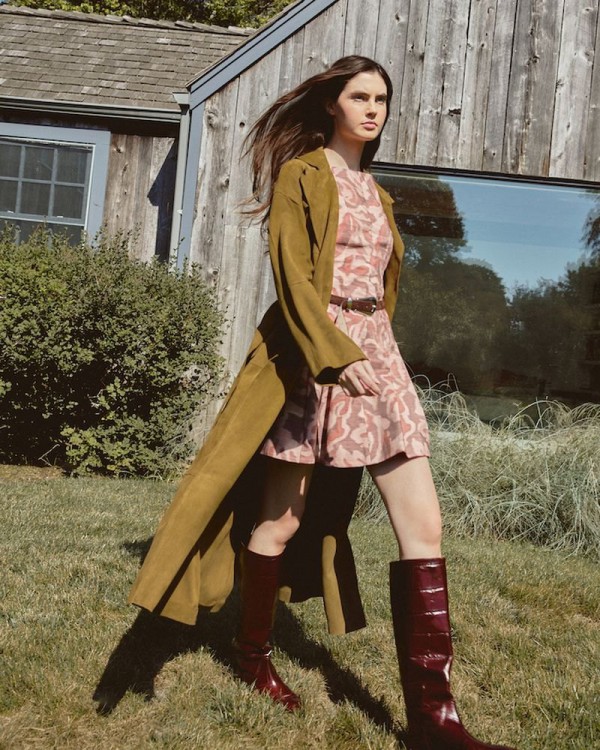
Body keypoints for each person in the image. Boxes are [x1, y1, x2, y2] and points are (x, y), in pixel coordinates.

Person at [128, 56, 515, 750]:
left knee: (424, 524)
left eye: (381, 99)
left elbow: (381, 284)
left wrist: (372, 350)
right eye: (360, 96)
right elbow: (294, 278)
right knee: (280, 522)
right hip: (313, 357)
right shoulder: (302, 175)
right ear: (332, 104)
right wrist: (335, 355)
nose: (373, 109)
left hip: (378, 354)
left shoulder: (377, 191)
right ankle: (252, 653)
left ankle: (434, 718)